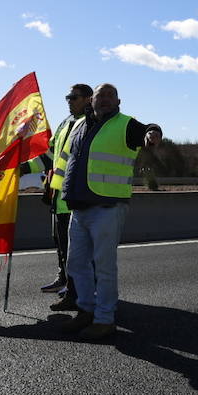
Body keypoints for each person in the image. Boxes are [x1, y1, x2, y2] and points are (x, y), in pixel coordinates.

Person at [52, 83, 161, 340]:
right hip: (79, 206)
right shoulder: (79, 126)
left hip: (108, 206)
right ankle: (86, 311)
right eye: (101, 96)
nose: (106, 100)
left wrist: (153, 134)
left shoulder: (126, 124)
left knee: (103, 266)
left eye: (111, 96)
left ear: (118, 101)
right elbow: (64, 161)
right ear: (92, 100)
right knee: (76, 265)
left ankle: (104, 319)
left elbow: (149, 129)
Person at [35, 84, 92, 305]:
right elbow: (49, 157)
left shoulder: (90, 123)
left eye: (73, 97)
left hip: (75, 199)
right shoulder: (64, 124)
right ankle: (65, 279)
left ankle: (75, 291)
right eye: (67, 96)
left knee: (75, 250)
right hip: (57, 197)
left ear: (88, 99)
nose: (69, 100)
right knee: (59, 243)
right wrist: (20, 168)